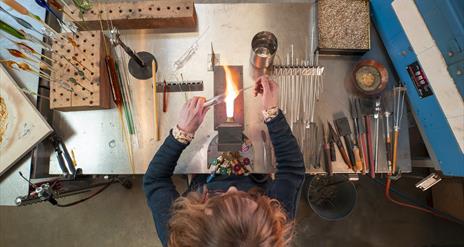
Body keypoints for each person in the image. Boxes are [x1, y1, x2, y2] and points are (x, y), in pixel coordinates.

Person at [144, 76, 305, 247]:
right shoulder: (269, 230)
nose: (233, 188)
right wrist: (272, 114)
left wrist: (181, 133)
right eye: (250, 200)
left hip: (203, 180)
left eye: (220, 198)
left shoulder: (181, 235)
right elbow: (291, 170)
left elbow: (155, 181)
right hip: (255, 177)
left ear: (197, 222)